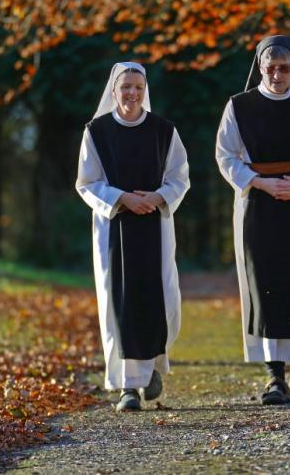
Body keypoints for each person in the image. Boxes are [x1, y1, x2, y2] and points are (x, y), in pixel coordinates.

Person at [215, 35, 290, 405]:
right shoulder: (239, 106)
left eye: (285, 68)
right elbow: (225, 156)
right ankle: (274, 378)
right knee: (263, 285)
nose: (278, 75)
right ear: (260, 68)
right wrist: (261, 183)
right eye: (271, 68)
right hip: (258, 204)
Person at [75, 62, 190, 411]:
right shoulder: (96, 132)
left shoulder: (164, 131)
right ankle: (128, 386)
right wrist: (122, 198)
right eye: (126, 87)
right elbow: (86, 183)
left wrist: (156, 198)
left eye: (138, 87)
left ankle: (153, 364)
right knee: (119, 302)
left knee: (160, 295)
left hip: (156, 224)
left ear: (145, 90)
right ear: (114, 91)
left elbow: (179, 177)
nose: (132, 93)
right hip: (115, 226)